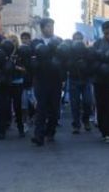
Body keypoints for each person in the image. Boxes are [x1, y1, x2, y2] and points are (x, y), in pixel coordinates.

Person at [31, 18, 63, 146]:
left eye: (52, 26)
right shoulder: (35, 42)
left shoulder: (59, 41)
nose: (51, 29)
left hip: (55, 79)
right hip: (41, 79)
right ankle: (38, 135)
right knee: (41, 108)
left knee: (54, 109)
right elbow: (31, 59)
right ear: (42, 28)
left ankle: (50, 131)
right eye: (48, 26)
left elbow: (64, 58)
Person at [0, 38, 26, 140]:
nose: (11, 43)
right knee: (2, 107)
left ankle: (21, 129)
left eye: (13, 40)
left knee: (17, 107)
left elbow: (25, 68)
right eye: (9, 40)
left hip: (16, 82)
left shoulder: (20, 53)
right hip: (4, 83)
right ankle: (1, 131)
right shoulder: (0, 54)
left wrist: (14, 67)